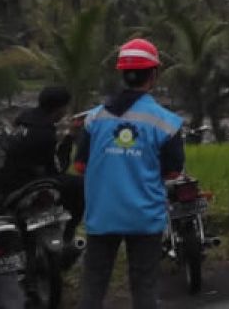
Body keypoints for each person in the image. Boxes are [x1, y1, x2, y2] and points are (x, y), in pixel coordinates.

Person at [75, 39, 185, 308]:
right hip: (145, 217)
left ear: (122, 73)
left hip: (102, 215)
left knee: (93, 287)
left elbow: (80, 166)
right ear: (154, 75)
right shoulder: (166, 122)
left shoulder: (94, 119)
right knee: (144, 287)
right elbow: (172, 172)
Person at [0, 85, 85, 253]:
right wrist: (70, 137)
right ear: (59, 108)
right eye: (65, 107)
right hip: (28, 183)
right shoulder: (45, 133)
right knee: (80, 185)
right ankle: (69, 233)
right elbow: (58, 167)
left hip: (7, 181)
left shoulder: (23, 119)